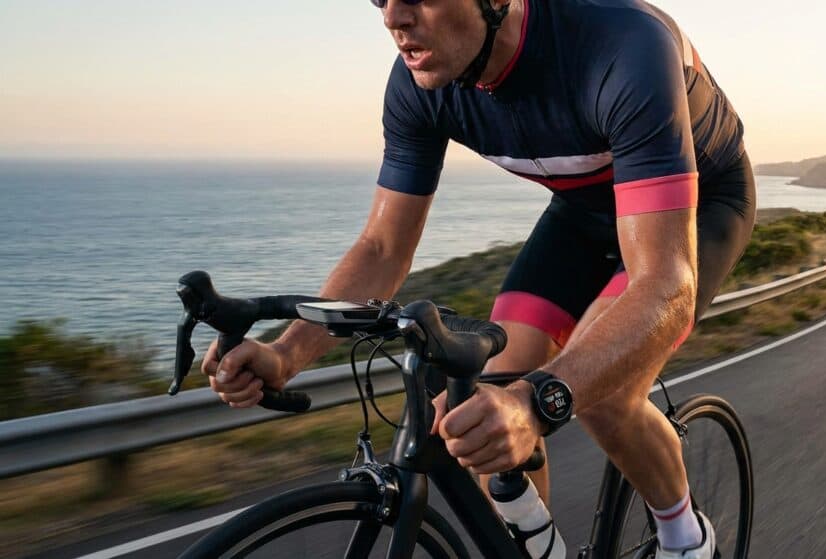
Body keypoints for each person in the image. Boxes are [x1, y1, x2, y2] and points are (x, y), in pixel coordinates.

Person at [202, 1, 755, 557]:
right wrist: (287, 353)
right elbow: (382, 247)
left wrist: (537, 402)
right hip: (584, 212)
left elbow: (666, 286)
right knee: (486, 397)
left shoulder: (624, 44)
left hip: (701, 206)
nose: (393, 17)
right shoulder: (418, 84)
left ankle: (687, 538)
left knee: (601, 392)